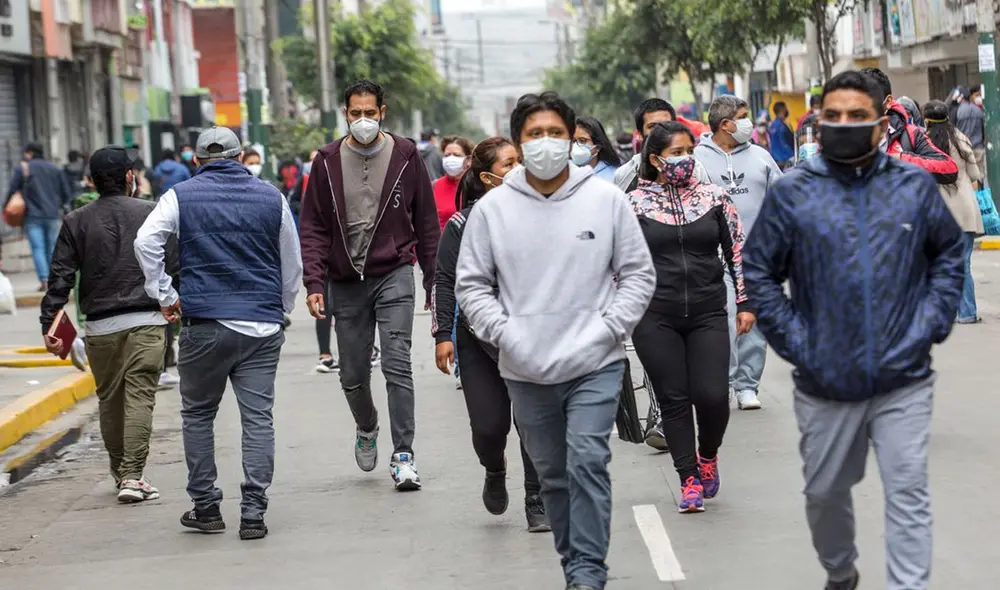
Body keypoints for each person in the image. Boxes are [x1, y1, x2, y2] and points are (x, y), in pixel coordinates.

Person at [743, 70, 965, 590]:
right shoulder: (794, 191)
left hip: (903, 377)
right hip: (825, 383)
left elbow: (949, 255)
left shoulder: (911, 186)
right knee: (824, 494)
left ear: (879, 121)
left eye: (856, 116)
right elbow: (759, 272)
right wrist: (801, 344)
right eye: (834, 116)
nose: (843, 124)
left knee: (908, 492)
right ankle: (839, 570)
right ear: (819, 122)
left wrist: (929, 324)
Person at [455, 91, 655, 590]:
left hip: (595, 362)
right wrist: (506, 336)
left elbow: (637, 275)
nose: (546, 143)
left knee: (588, 459)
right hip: (525, 368)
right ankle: (575, 564)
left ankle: (588, 573)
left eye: (556, 134)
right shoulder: (493, 210)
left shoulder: (605, 199)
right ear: (520, 145)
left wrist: (609, 329)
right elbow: (472, 285)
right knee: (555, 476)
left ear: (572, 138)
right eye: (534, 135)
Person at [134, 127, 302, 540]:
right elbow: (291, 263)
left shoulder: (179, 196)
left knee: (198, 415)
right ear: (242, 156)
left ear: (197, 160)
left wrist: (164, 294)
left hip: (203, 324)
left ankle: (207, 507)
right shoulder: (272, 197)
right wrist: (281, 307)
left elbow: (146, 241)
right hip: (261, 325)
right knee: (258, 418)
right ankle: (253, 512)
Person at [299, 79, 440, 491]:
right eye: (354, 113)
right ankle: (367, 425)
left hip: (394, 272)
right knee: (353, 374)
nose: (362, 119)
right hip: (345, 281)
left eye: (369, 112)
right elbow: (312, 227)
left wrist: (433, 283)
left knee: (398, 365)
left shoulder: (406, 155)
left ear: (383, 112)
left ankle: (404, 456)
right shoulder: (325, 161)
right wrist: (314, 280)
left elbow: (427, 224)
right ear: (345, 114)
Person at [628, 121, 750, 513]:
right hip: (654, 315)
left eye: (689, 151)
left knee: (714, 396)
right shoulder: (632, 205)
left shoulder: (716, 198)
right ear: (655, 159)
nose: (684, 159)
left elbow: (738, 254)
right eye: (676, 152)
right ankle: (689, 479)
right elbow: (618, 263)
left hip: (707, 312)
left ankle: (708, 454)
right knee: (674, 398)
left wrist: (746, 304)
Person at [42, 145, 175, 504]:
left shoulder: (76, 221)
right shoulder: (153, 213)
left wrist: (48, 325)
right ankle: (133, 476)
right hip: (146, 322)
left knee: (109, 400)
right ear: (131, 177)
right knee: (139, 398)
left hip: (99, 327)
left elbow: (60, 279)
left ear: (91, 180)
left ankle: (123, 473)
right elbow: (174, 265)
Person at [432, 136, 550, 532]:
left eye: (521, 161)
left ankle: (537, 500)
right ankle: (494, 468)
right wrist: (442, 335)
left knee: (533, 421)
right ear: (487, 178)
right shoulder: (463, 225)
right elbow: (444, 280)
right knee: (488, 427)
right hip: (477, 341)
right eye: (507, 165)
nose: (518, 169)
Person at [695, 95, 781, 413]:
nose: (748, 122)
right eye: (742, 117)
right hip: (715, 256)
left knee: (754, 323)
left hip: (757, 257)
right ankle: (726, 382)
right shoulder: (697, 159)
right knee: (727, 319)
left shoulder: (761, 157)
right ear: (725, 124)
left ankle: (747, 385)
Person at [924, 99, 984, 324]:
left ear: (927, 119)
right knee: (963, 263)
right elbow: (975, 175)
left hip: (939, 212)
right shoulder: (961, 138)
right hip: (965, 208)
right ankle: (967, 313)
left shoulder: (923, 142)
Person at [860, 67, 958, 184]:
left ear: (888, 101)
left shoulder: (909, 134)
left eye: (870, 100)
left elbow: (949, 168)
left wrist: (900, 159)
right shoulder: (843, 136)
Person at [6, 143, 74, 291]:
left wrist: (6, 207)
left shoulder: (23, 168)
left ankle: (44, 280)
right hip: (53, 214)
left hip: (32, 214)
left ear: (29, 153)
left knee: (38, 248)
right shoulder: (54, 168)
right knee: (52, 248)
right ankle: (55, 281)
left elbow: (12, 190)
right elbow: (66, 193)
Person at [614, 98, 677, 192]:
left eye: (666, 125)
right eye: (652, 127)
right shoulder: (625, 174)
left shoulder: (695, 170)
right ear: (639, 135)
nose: (660, 132)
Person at [433, 136, 474, 230]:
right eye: (447, 155)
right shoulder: (434, 186)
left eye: (457, 155)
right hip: (442, 242)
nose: (451, 159)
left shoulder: (476, 185)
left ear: (468, 159)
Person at [572, 116, 621, 183]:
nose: (576, 145)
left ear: (598, 147)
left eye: (582, 141)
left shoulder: (615, 176)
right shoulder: (564, 175)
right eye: (573, 141)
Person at [955, 84, 986, 182]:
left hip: (963, 148)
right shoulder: (978, 110)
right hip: (978, 147)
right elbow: (983, 129)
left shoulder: (958, 110)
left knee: (967, 176)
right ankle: (980, 194)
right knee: (980, 174)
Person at [768, 102, 796, 170]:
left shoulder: (772, 126)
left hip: (775, 160)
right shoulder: (783, 126)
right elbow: (789, 142)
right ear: (782, 110)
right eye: (786, 108)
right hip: (786, 160)